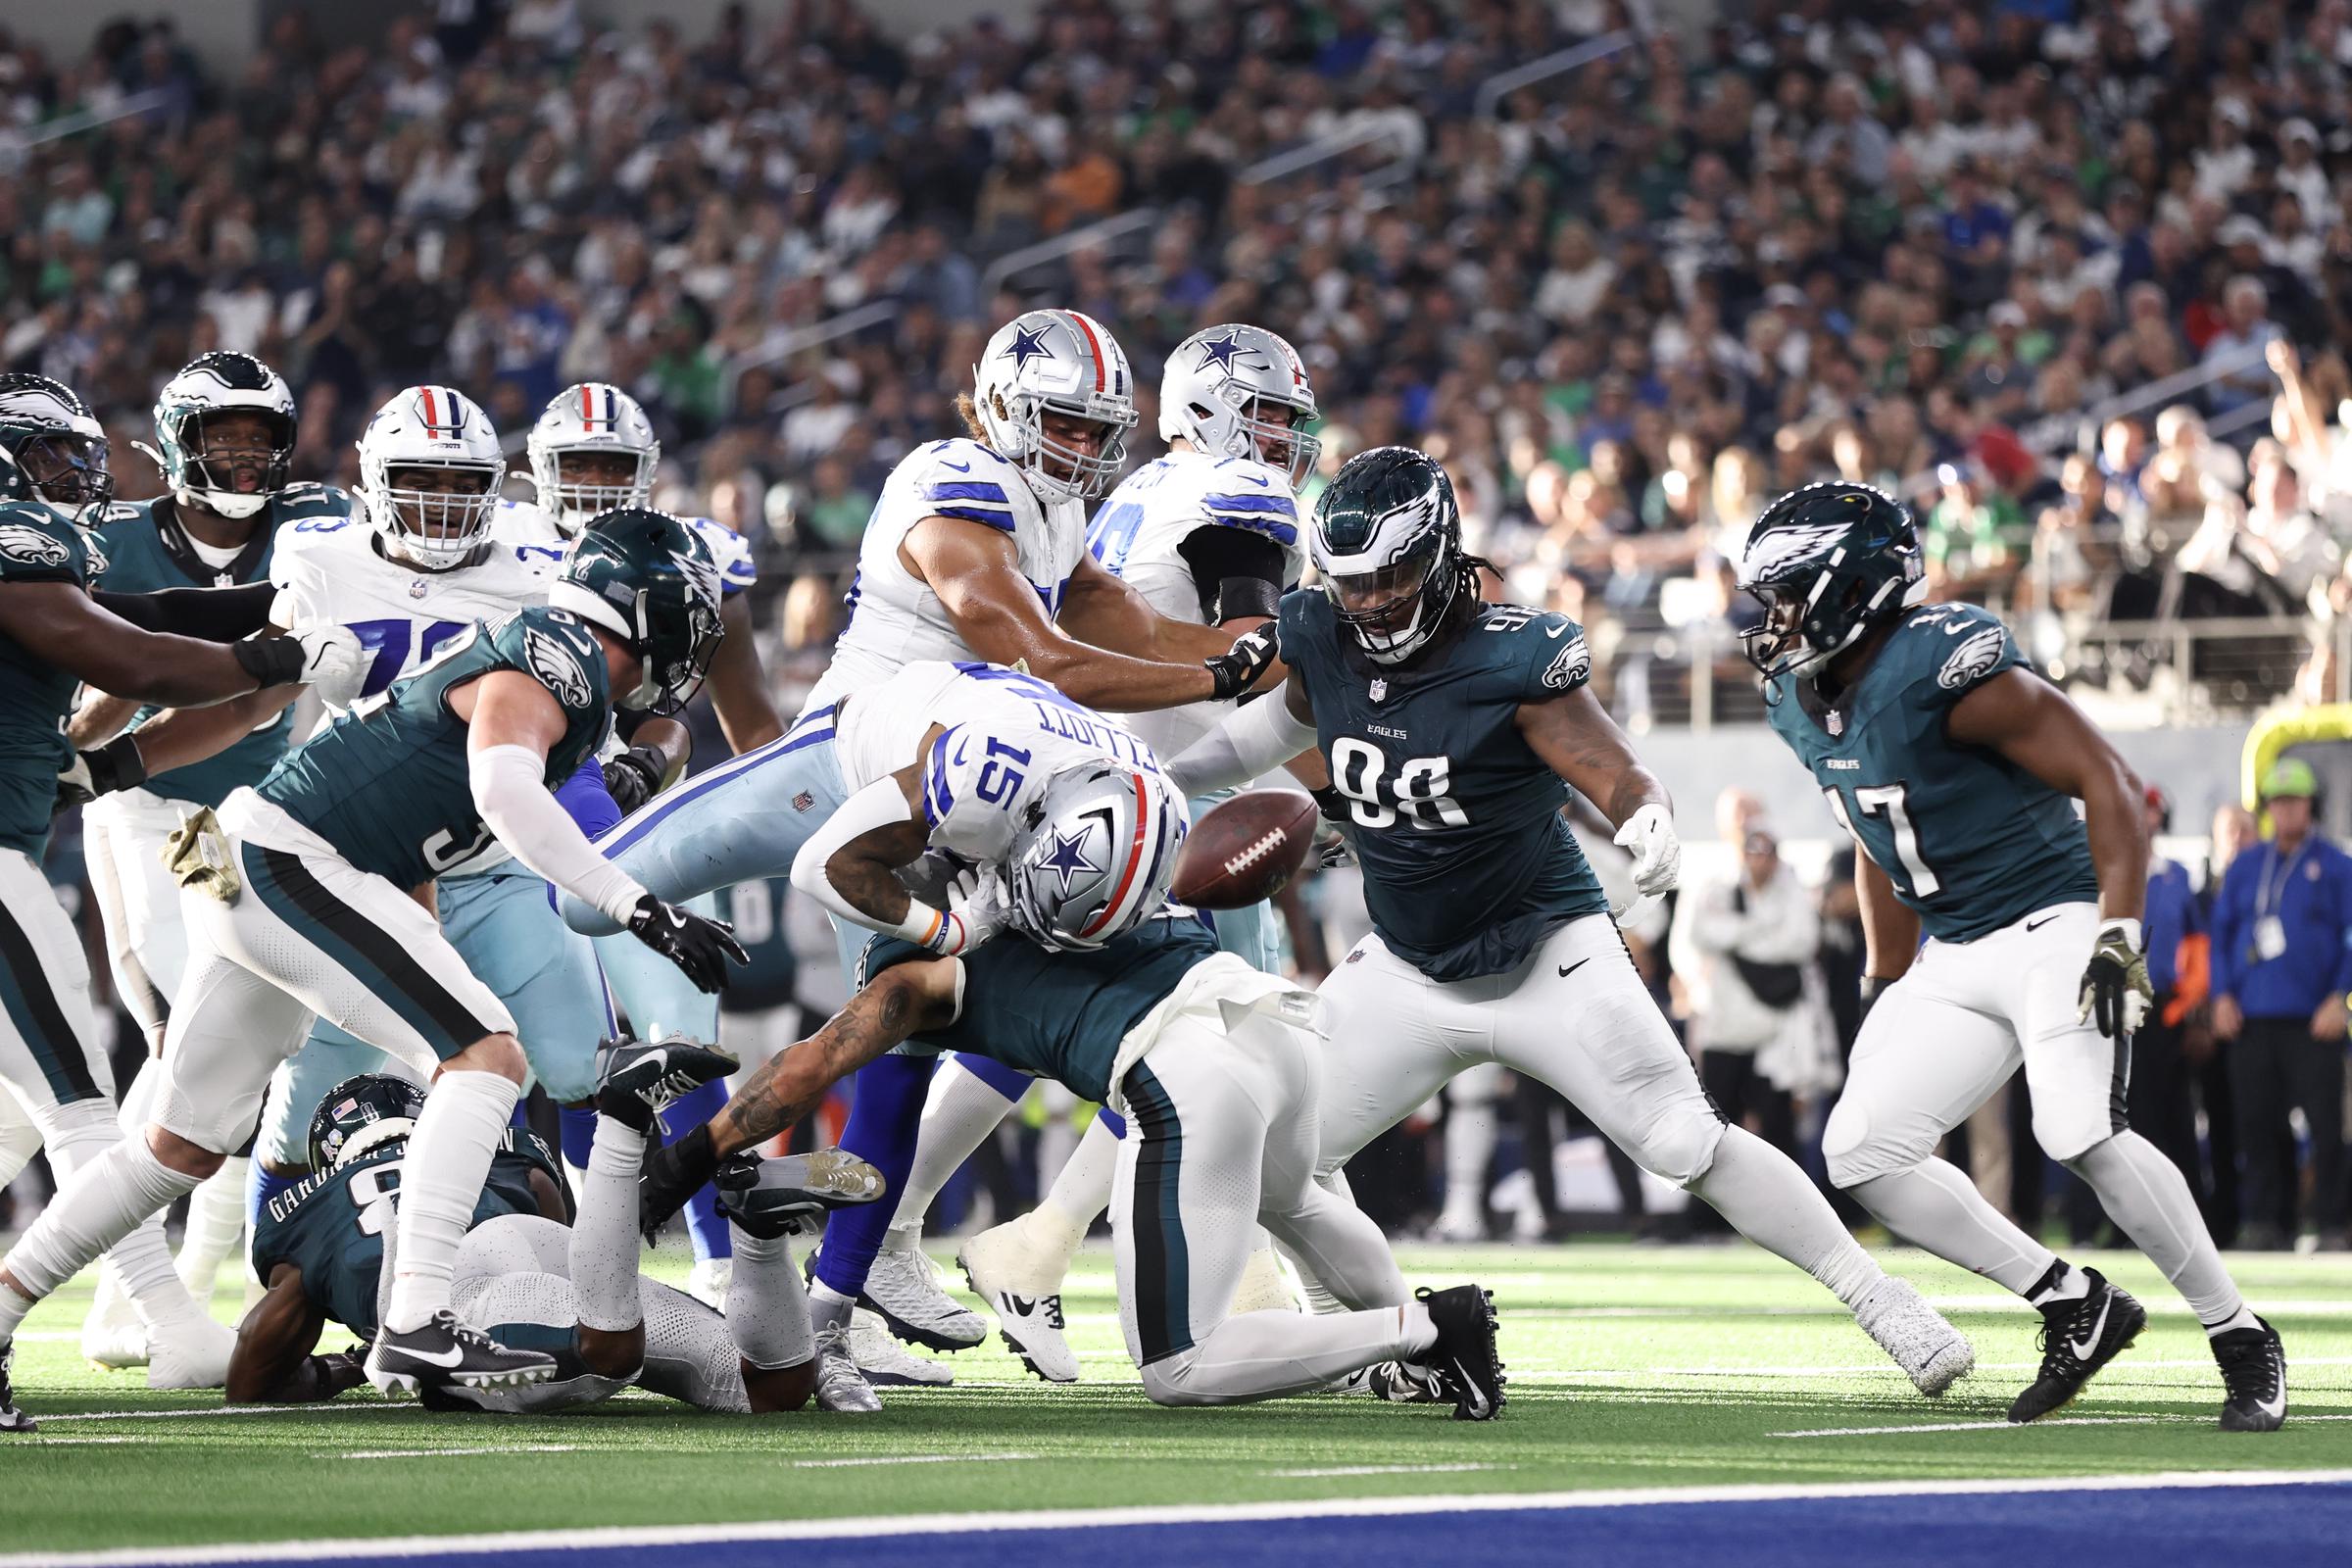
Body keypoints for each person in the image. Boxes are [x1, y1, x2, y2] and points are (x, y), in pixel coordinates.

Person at [564, 309, 1281, 1409]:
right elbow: (1045, 657)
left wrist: (1239, 650)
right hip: (852, 764)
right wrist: (1215, 678)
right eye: (1061, 426)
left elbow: (1123, 621)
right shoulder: (951, 480)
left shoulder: (1055, 503)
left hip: (964, 792)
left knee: (901, 1029)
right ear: (997, 408)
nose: (1082, 451)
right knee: (584, 893)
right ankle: (777, 1246)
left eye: (1098, 431)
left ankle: (837, 1299)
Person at [1168, 448, 1973, 1399]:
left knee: (1683, 1139)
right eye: (1351, 584)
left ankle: (1881, 1298)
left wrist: (1648, 816)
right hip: (1407, 964)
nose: (1372, 602)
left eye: (1389, 576)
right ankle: (1396, 1341)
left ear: (1437, 554)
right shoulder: (1321, 631)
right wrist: (1166, 778)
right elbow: (1273, 732)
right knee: (1279, 1160)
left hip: (1545, 949)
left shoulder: (1514, 652)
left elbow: (1609, 764)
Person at [0, 508, 745, 1421]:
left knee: (176, 1147)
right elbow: (501, 792)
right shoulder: (559, 651)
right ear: (646, 610)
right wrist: (642, 907)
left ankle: (0, 1310)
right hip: (289, 861)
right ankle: (418, 1314)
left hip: (267, 863)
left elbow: (424, 834)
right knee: (489, 1058)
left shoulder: (558, 663)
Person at [1737, 479, 2285, 1432]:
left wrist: (2119, 941)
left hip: (2052, 918)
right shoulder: (1797, 695)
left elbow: (2109, 782)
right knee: (1861, 1148)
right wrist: (1883, 972)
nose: (1773, 620)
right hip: (1952, 945)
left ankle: (2240, 1333)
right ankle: (2074, 1301)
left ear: (1847, 588)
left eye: (1789, 594)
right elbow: (1871, 829)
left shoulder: (1942, 664)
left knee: (2075, 1129)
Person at [637, 817, 1508, 1417]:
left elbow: (806, 1070)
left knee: (1179, 1367)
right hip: (1265, 1020)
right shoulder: (1065, 857)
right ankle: (1434, 1353)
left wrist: (697, 1152)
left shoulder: (917, 968)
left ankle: (1425, 1328)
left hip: (1187, 1074)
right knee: (1301, 1203)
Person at [864, 320, 1324, 1378]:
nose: (1282, 441)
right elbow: (1247, 662)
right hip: (1157, 806)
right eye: (1266, 415)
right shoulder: (1237, 504)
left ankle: (900, 1234)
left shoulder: (1126, 495)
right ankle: (1053, 1243)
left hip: (1079, 787)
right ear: (1209, 408)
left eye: (1290, 421)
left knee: (1015, 1022)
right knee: (1213, 1037)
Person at [0, 372, 366, 1425]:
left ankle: (162, 1304)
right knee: (103, 1080)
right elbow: (127, 650)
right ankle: (164, 1317)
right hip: (129, 828)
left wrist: (278, 616)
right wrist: (273, 651)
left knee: (46, 1091)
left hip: (227, 826)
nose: (76, 480)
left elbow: (146, 614)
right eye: (51, 461)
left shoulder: (294, 528)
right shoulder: (25, 543)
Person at [523, 380, 789, 1308]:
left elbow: (735, 725)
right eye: (578, 466)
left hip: (630, 823)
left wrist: (652, 765)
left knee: (684, 1040)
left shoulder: (695, 556)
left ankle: (726, 1265)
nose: (595, 485)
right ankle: (540, 1262)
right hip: (506, 825)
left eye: (613, 468)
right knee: (535, 1054)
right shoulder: (496, 549)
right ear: (539, 475)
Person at [227, 1043, 875, 1414]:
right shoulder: (481, 1143)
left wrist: (334, 1366)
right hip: (529, 1242)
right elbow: (555, 1223)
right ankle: (759, 1236)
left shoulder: (310, 1204)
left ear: (331, 1153)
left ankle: (623, 1122)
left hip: (461, 1297)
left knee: (608, 1350)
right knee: (774, 1387)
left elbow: (253, 1367)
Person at [2210, 757, 2352, 1251]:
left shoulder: (2337, 866)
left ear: (2312, 805)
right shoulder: (2248, 865)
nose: (2285, 810)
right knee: (2258, 1126)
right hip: (2252, 1018)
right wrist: (2221, 995)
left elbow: (2351, 937)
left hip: (2316, 1020)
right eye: (2277, 801)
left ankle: (2336, 1223)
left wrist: (2340, 998)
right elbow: (2221, 935)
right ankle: (2268, 1223)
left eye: (2294, 801)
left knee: (2327, 1128)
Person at [1677, 819, 1818, 1159]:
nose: (1758, 860)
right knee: (1720, 1131)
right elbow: (1702, 933)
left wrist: (1739, 938)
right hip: (1724, 1030)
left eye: (1766, 853)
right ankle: (1714, 1213)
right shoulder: (1718, 888)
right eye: (1751, 851)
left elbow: (1802, 942)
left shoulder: (1791, 893)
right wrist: (1763, 932)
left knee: (1778, 1130)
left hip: (1773, 1035)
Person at [2134, 785, 2210, 1214]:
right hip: (2117, 1005)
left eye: (2151, 812)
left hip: (2167, 1007)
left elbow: (2196, 947)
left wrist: (2192, 1006)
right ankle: (2127, 1222)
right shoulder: (2102, 869)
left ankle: (2190, 1213)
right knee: (2127, 1116)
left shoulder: (2176, 875)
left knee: (2175, 1114)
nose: (2145, 820)